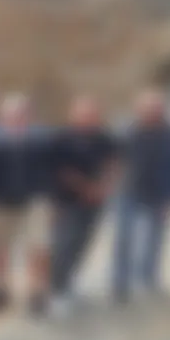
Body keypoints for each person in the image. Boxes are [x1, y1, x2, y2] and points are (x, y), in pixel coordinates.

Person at [0, 94, 54, 314]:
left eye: (20, 113)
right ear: (2, 116)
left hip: (34, 200)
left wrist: (53, 199)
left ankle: (37, 291)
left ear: (29, 115)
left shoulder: (44, 139)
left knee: (38, 246)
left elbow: (54, 170)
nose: (16, 117)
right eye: (10, 114)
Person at [112, 89, 170, 304]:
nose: (150, 112)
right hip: (129, 191)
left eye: (155, 108)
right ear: (138, 110)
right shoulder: (127, 131)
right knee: (124, 239)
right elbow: (115, 159)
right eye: (145, 108)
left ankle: (148, 278)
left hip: (160, 193)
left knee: (155, 240)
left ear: (163, 110)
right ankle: (120, 283)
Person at [46, 96, 114, 315]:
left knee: (83, 244)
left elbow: (115, 162)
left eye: (92, 114)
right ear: (73, 115)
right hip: (67, 202)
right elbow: (60, 170)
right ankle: (56, 290)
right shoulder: (61, 138)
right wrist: (87, 188)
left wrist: (104, 185)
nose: (88, 118)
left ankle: (69, 281)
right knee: (63, 245)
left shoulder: (103, 138)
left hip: (94, 203)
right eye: (83, 114)